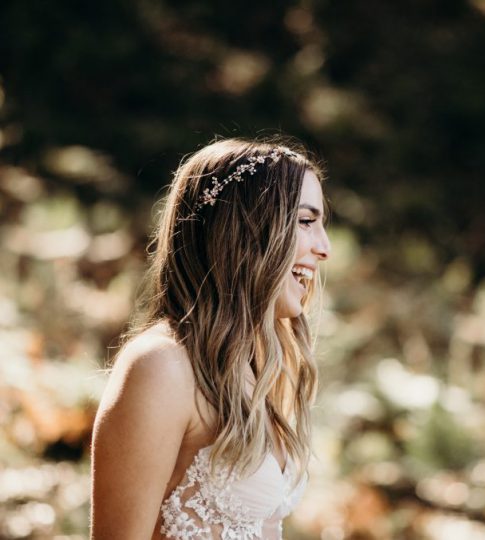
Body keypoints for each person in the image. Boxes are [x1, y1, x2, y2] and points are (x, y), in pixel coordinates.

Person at [90, 137, 331, 539]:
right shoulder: (161, 367)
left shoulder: (252, 370)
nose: (324, 248)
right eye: (306, 221)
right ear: (243, 228)